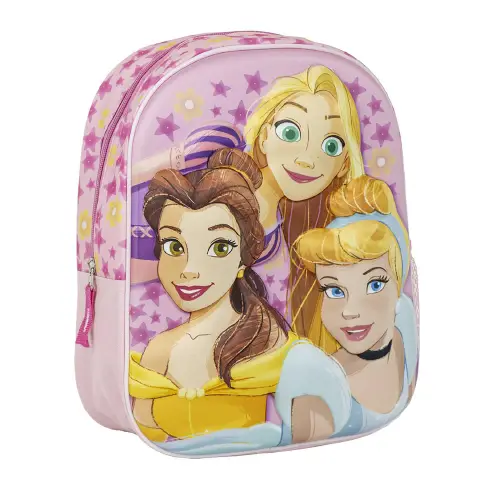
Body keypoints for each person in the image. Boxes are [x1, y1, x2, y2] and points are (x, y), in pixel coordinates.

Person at [129, 148, 297, 443]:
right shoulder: (159, 351)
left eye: (219, 248)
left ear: (244, 258)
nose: (190, 270)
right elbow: (145, 435)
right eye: (174, 247)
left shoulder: (266, 339)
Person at [291, 176, 418, 437]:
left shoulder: (404, 326)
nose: (350, 311)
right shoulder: (318, 397)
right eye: (334, 290)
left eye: (374, 284)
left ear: (398, 283)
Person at [244, 64, 365, 327]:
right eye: (290, 133)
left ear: (344, 164)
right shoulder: (214, 160)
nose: (307, 160)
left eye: (330, 146)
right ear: (264, 136)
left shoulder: (284, 252)